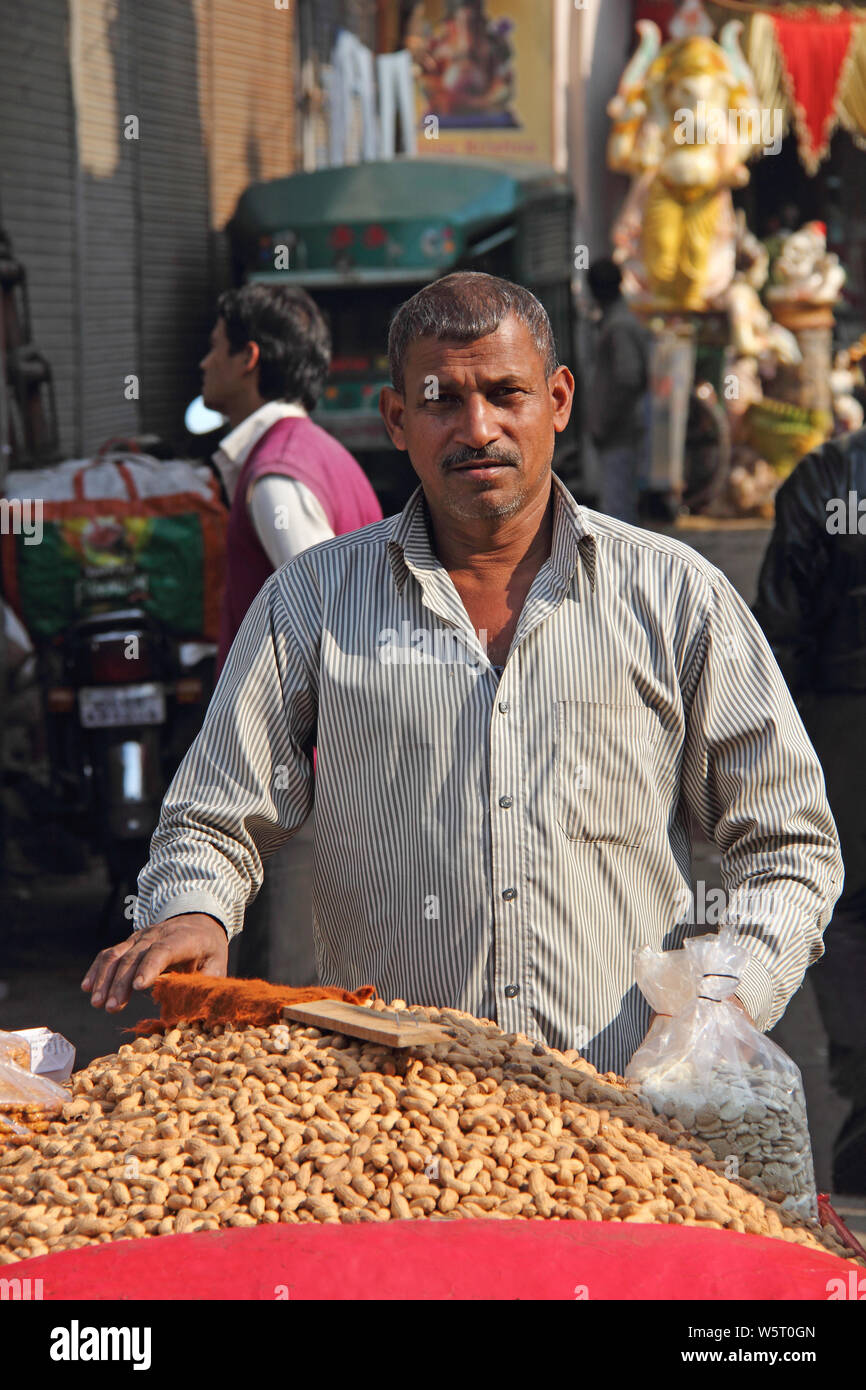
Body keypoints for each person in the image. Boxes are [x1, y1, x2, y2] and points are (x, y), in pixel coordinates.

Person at [83, 271, 842, 1079]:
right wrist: (193, 910)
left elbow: (788, 840)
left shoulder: (677, 596)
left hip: (627, 1111)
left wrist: (723, 1001)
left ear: (557, 400)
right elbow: (211, 815)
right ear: (398, 419)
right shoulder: (312, 602)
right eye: (444, 400)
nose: (478, 428)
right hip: (393, 1118)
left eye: (507, 394)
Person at [200, 283, 382, 985]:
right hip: (323, 769)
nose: (201, 364)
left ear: (247, 358)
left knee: (286, 980)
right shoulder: (318, 451)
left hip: (295, 774)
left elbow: (324, 620)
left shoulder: (276, 476)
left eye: (212, 347)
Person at [753, 429, 866, 1192]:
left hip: (838, 722)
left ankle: (862, 1091)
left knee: (847, 909)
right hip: (836, 712)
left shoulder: (825, 477)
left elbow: (779, 625)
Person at [585, 258, 650, 525]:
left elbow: (628, 379)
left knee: (616, 514)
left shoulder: (619, 326)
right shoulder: (618, 321)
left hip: (619, 431)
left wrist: (606, 421)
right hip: (619, 429)